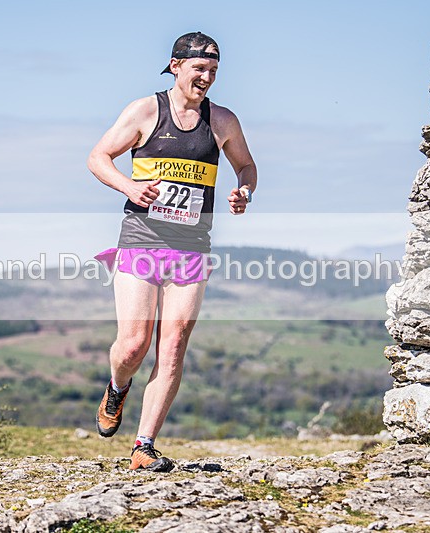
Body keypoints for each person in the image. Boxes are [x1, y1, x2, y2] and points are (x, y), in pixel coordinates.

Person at [87, 31, 257, 472]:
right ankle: (117, 387)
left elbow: (246, 165)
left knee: (175, 344)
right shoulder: (145, 111)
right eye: (200, 69)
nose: (207, 78)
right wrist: (129, 185)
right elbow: (99, 157)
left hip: (191, 247)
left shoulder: (222, 120)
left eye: (214, 71)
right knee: (133, 345)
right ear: (176, 65)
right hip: (142, 239)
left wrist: (244, 190)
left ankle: (144, 445)